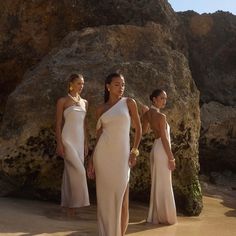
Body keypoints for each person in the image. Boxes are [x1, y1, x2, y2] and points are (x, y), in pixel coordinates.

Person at [87, 72, 142, 236]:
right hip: (103, 157)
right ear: (108, 87)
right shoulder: (100, 110)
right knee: (104, 200)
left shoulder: (129, 103)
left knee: (123, 201)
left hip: (122, 157)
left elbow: (139, 129)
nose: (121, 88)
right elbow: (98, 137)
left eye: (123, 85)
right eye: (117, 84)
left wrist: (134, 151)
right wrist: (91, 160)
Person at [55, 73, 90, 217]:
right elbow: (57, 123)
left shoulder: (85, 102)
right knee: (80, 172)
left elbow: (84, 124)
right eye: (78, 83)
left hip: (79, 141)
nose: (81, 86)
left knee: (70, 173)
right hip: (67, 140)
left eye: (82, 84)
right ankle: (76, 203)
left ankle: (70, 207)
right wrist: (59, 143)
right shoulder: (62, 101)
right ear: (71, 84)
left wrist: (86, 143)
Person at [142, 89, 177, 225]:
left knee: (158, 183)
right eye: (162, 98)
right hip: (162, 150)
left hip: (155, 150)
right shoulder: (161, 117)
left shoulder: (148, 114)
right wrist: (171, 157)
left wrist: (143, 114)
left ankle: (155, 216)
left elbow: (143, 131)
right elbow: (164, 138)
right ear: (154, 100)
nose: (164, 101)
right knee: (164, 184)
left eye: (165, 99)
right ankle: (166, 217)